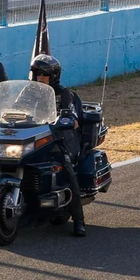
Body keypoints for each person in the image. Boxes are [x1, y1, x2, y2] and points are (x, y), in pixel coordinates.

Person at [29, 54, 87, 237]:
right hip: (33, 139)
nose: (40, 77)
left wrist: (67, 119)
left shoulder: (63, 94)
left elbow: (72, 116)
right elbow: (14, 108)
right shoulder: (29, 91)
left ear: (53, 76)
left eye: (44, 74)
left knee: (68, 171)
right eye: (37, 73)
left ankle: (79, 220)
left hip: (59, 140)